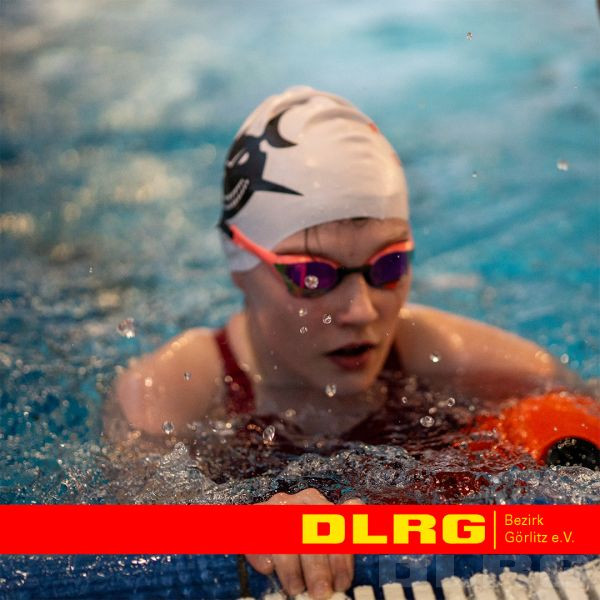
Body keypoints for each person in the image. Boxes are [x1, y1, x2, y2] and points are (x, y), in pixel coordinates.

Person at [112, 86, 580, 599]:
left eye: (389, 264)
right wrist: (239, 521)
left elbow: (577, 406)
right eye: (313, 276)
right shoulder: (175, 392)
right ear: (238, 262)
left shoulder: (445, 356)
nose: (362, 311)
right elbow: (128, 542)